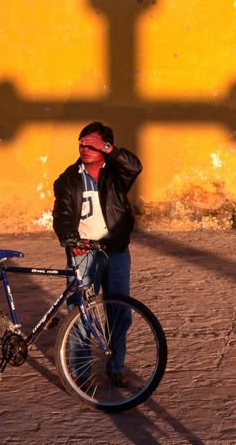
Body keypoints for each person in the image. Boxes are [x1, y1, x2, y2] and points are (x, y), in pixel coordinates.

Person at [52, 121, 142, 387]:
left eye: (91, 143)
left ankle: (116, 366)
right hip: (83, 253)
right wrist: (70, 238)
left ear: (105, 146)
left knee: (119, 312)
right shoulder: (68, 178)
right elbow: (62, 214)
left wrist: (107, 148)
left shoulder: (116, 175)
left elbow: (134, 165)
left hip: (115, 252)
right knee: (80, 313)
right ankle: (80, 372)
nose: (85, 147)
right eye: (81, 143)